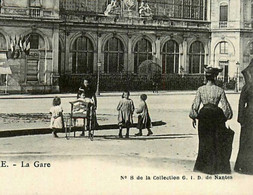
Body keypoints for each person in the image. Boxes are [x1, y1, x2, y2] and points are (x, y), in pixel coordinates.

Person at [189, 66, 233, 175]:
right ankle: (215, 167)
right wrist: (224, 118)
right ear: (215, 77)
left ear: (206, 77)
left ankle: (203, 167)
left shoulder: (200, 89)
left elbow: (195, 105)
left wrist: (194, 116)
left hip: (204, 116)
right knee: (215, 142)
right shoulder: (220, 90)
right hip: (216, 117)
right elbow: (226, 108)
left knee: (204, 142)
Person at [234, 65, 253, 174]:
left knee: (246, 140)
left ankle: (244, 165)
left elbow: (241, 103)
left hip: (249, 115)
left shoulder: (247, 86)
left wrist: (240, 119)